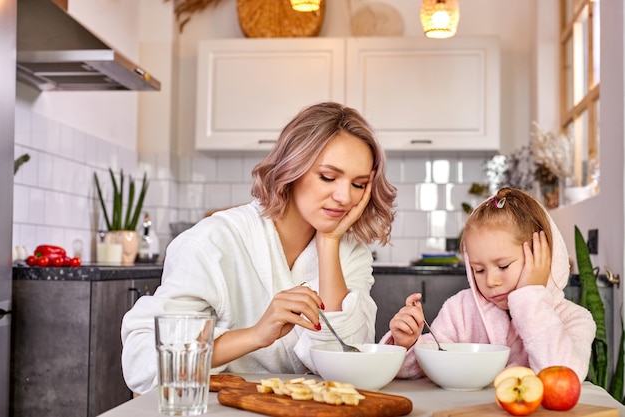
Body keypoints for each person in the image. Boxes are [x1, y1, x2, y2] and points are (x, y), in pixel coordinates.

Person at [121, 101, 397, 394]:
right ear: (293, 167)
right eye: (328, 177)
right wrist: (255, 335)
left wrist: (328, 244)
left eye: (358, 184)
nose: (344, 196)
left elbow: (349, 365)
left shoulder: (350, 251)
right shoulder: (213, 241)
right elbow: (144, 361)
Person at [380, 187, 595, 382]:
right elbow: (424, 365)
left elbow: (564, 378)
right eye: (478, 270)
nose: (491, 281)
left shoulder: (575, 319)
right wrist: (405, 344)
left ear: (542, 256)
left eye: (503, 266)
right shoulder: (461, 310)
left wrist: (532, 298)